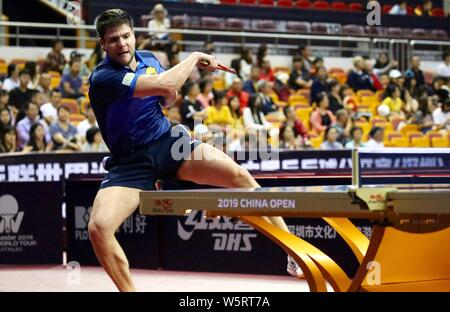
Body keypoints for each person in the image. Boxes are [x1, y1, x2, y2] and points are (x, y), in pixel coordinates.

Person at [88, 9, 300, 292]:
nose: (122, 44)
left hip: (168, 144)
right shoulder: (103, 77)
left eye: (126, 36)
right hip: (130, 163)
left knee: (240, 176)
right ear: (103, 44)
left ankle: (293, 253)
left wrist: (169, 91)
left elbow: (169, 97)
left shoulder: (149, 59)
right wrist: (193, 58)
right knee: (98, 228)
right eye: (113, 40)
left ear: (134, 35)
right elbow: (166, 84)